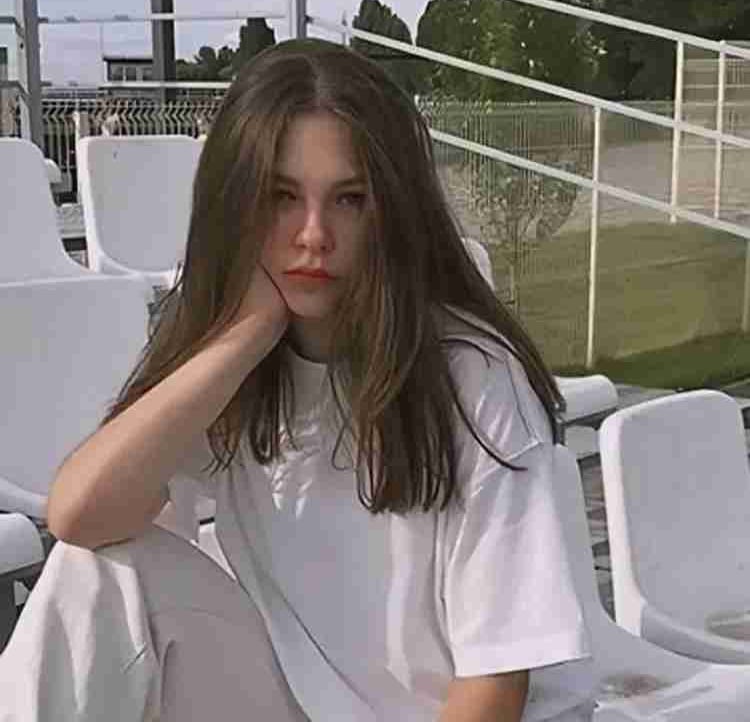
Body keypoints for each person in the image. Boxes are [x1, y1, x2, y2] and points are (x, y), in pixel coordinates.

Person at [0, 38, 594, 721]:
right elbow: (79, 514)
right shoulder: (237, 360)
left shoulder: (476, 377)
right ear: (236, 205)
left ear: (393, 211)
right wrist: (247, 334)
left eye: (349, 199)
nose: (314, 234)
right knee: (97, 571)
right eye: (281, 197)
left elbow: (495, 688)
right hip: (302, 700)